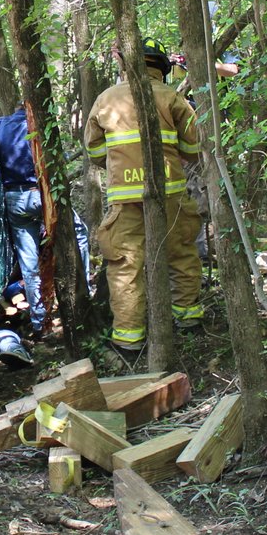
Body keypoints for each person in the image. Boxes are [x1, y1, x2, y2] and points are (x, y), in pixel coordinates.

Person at [85, 37, 204, 351]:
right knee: (181, 254)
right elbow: (193, 149)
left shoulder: (105, 99)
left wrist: (120, 164)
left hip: (124, 198)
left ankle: (129, 339)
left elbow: (95, 151)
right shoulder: (173, 98)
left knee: (125, 266)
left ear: (124, 64)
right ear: (161, 68)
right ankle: (188, 319)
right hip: (171, 193)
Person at [0, 104, 90, 340]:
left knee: (28, 264)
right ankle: (85, 298)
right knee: (80, 234)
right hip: (42, 194)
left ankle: (40, 323)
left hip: (15, 199)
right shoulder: (38, 125)